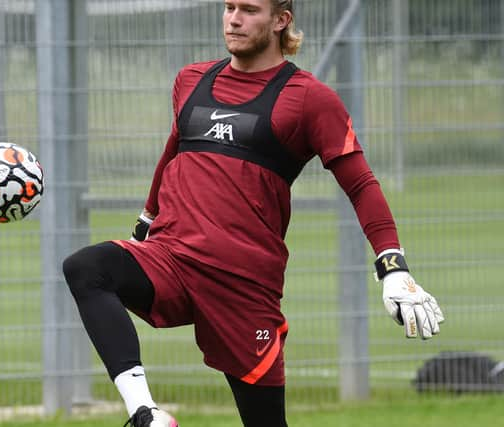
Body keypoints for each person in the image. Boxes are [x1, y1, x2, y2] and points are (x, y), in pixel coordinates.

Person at [62, 1, 445, 426]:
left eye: (248, 9)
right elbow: (174, 150)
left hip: (242, 284)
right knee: (86, 267)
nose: (234, 18)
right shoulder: (191, 80)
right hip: (174, 255)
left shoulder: (310, 99)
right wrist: (147, 221)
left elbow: (361, 184)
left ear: (281, 21)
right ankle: (145, 413)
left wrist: (392, 265)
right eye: (229, 7)